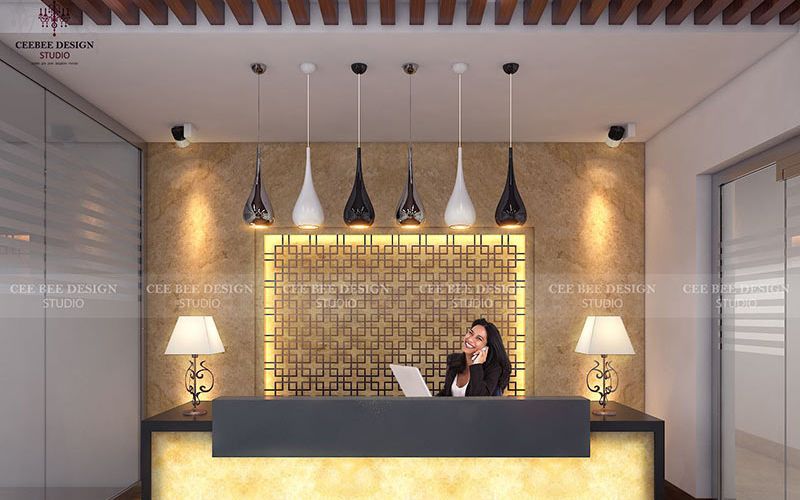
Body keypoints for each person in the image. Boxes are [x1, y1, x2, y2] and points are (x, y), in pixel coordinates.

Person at [436, 318, 512, 397]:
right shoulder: (454, 361)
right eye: (470, 333)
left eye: (479, 338)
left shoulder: (494, 369)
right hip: (452, 409)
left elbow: (479, 399)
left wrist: (476, 365)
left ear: (486, 348)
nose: (470, 339)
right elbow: (447, 393)